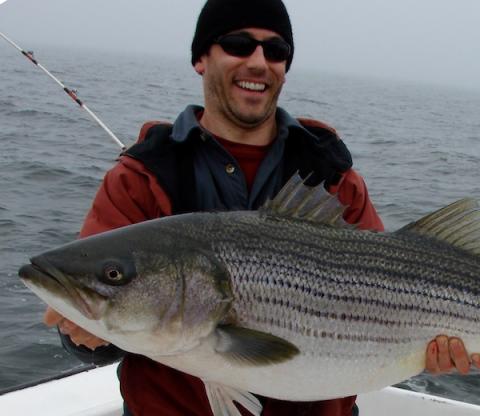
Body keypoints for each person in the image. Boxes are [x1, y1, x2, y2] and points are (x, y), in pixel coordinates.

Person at [43, 0, 480, 415]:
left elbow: (397, 284)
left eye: (275, 50)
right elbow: (106, 329)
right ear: (201, 58)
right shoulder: (141, 178)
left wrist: (434, 351)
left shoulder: (332, 178)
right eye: (237, 44)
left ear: (285, 67)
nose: (257, 61)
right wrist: (83, 334)